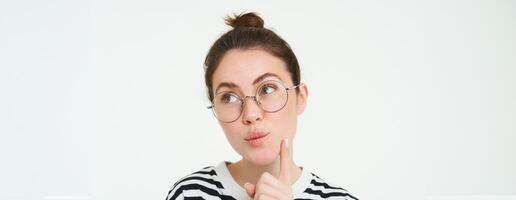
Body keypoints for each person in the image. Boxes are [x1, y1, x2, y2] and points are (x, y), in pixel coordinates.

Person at [166, 12, 358, 200]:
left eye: (267, 89)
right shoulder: (189, 194)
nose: (251, 114)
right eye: (229, 98)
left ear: (300, 96)